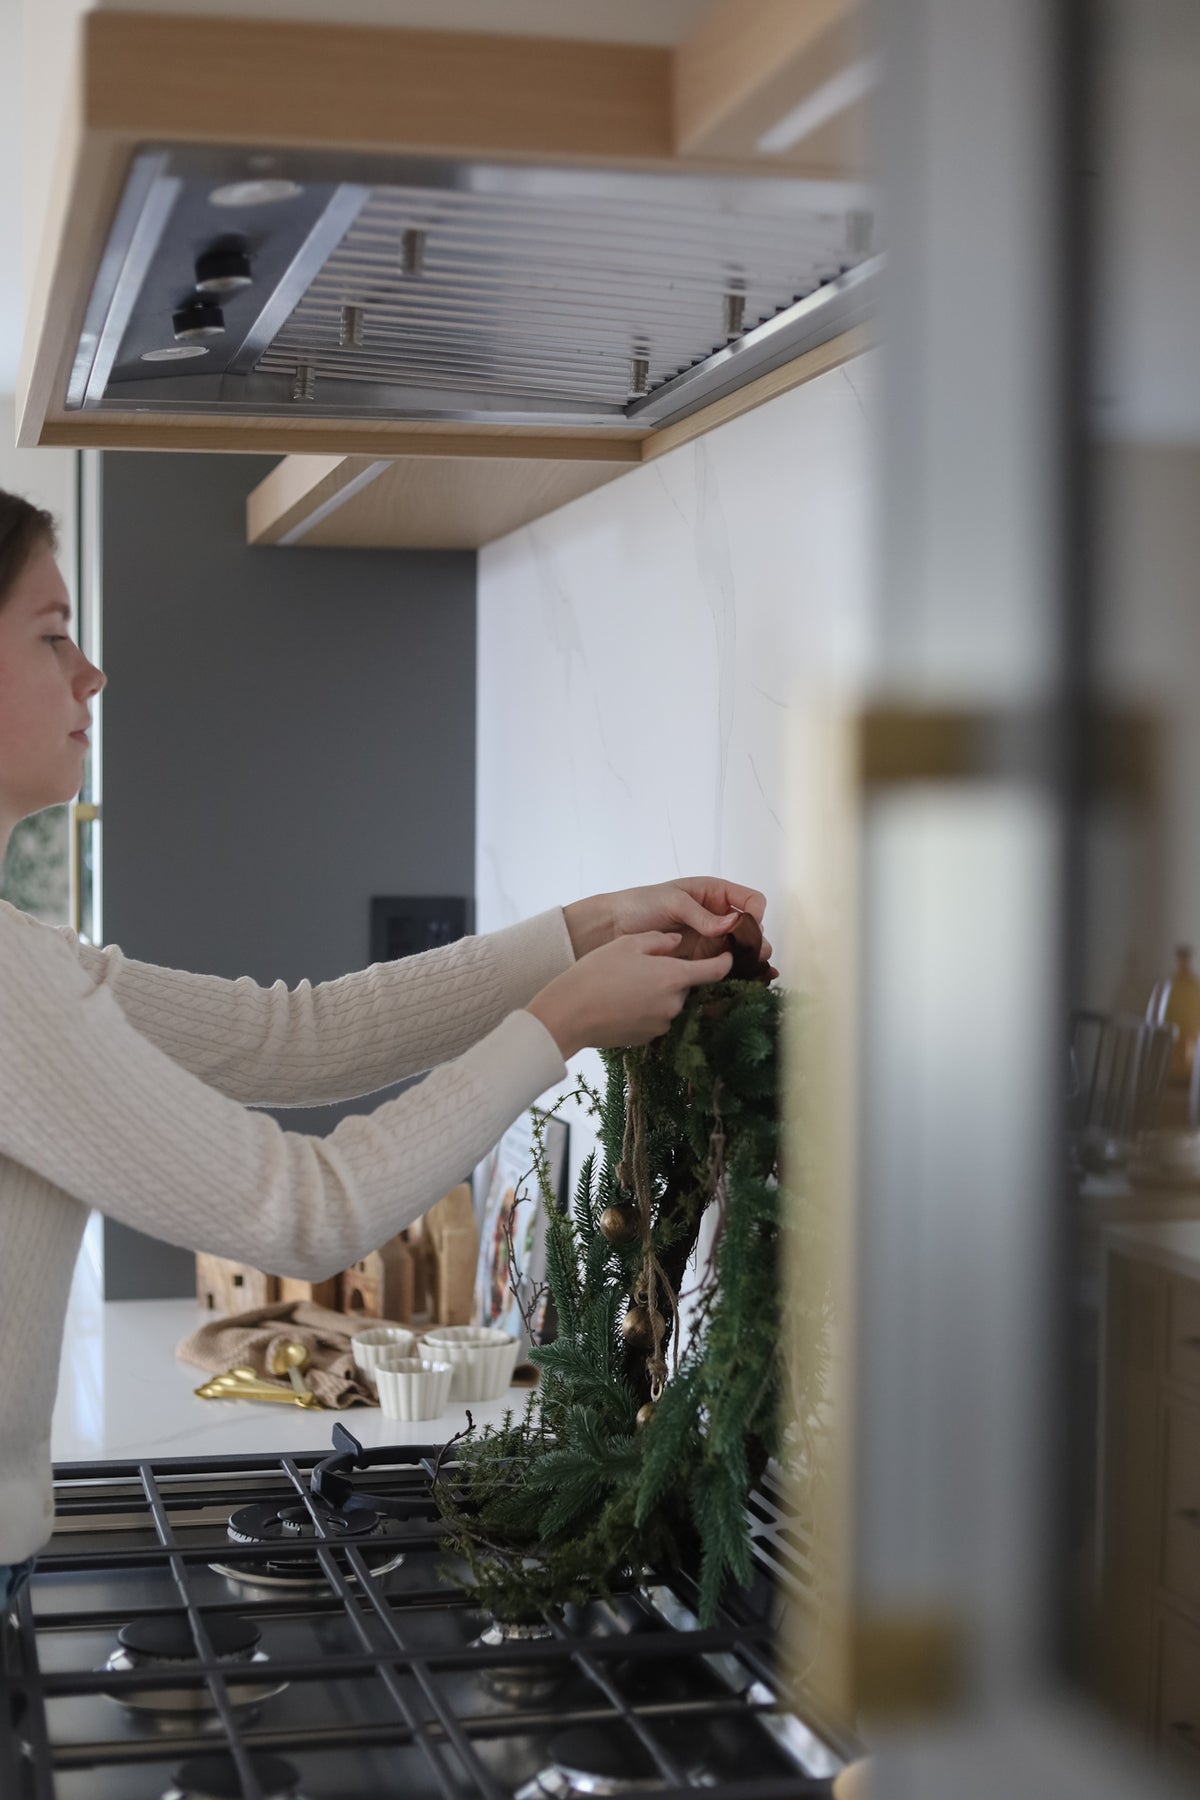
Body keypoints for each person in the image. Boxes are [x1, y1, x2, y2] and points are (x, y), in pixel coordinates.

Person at [0, 488, 770, 1599]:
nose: (91, 673)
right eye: (51, 632)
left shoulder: (25, 955)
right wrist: (561, 1025)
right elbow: (303, 1213)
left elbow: (297, 1034)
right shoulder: (12, 976)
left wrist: (584, 930)